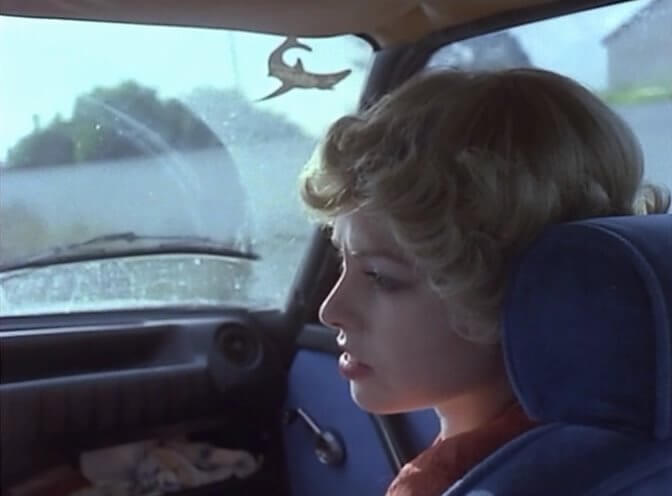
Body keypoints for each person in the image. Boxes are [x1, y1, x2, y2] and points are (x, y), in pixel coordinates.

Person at [298, 68, 670, 496]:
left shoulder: (460, 482)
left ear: (510, 288)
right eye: (341, 261)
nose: (331, 310)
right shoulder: (620, 456)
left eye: (381, 277)